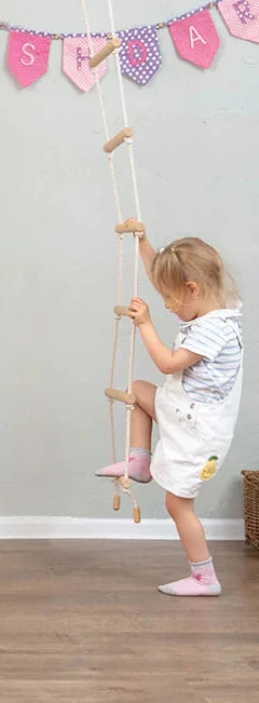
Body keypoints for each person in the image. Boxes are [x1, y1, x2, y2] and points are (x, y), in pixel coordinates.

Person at [96, 221, 243, 596]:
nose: (165, 305)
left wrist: (145, 324)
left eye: (169, 300)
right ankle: (140, 461)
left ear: (192, 290)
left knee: (178, 504)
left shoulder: (214, 331)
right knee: (139, 391)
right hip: (182, 412)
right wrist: (144, 243)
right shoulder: (213, 309)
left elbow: (168, 363)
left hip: (198, 432)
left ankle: (204, 577)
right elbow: (164, 276)